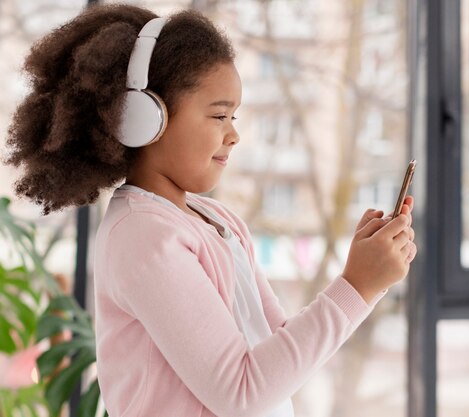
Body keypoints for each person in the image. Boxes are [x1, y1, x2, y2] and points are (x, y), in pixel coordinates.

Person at [3, 4, 417, 417]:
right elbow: (241, 392)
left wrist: (370, 275)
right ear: (143, 118)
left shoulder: (219, 221)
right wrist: (356, 286)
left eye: (234, 115)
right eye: (219, 114)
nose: (234, 134)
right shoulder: (142, 235)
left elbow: (281, 356)